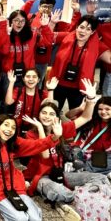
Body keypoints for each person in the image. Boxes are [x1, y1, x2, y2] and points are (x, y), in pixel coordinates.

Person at [23, 83, 109, 219]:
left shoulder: (61, 127)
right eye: (43, 113)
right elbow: (45, 155)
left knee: (101, 178)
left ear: (56, 117)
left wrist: (91, 99)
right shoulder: (30, 134)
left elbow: (85, 117)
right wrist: (40, 128)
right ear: (38, 115)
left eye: (51, 114)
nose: (47, 116)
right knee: (60, 192)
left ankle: (82, 199)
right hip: (41, 177)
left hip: (62, 174)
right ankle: (66, 204)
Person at [0, 109, 62, 220]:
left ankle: (54, 209)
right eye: (6, 125)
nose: (9, 130)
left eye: (13, 128)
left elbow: (36, 145)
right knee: (20, 218)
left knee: (35, 218)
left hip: (14, 185)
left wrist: (55, 137)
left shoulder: (15, 142)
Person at [49, 15, 111, 109]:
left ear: (92, 32)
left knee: (76, 116)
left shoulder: (97, 45)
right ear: (77, 27)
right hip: (58, 84)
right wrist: (52, 23)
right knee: (53, 111)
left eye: (88, 29)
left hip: (79, 88)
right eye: (81, 27)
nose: (83, 31)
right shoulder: (66, 36)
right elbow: (47, 37)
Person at [75, 96, 111, 175]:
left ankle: (84, 170)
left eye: (107, 109)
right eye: (100, 109)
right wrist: (80, 109)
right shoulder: (89, 118)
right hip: (79, 153)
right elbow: (69, 115)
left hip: (97, 157)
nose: (103, 112)